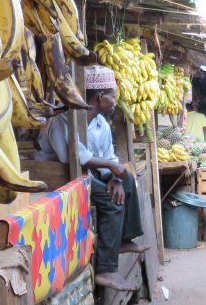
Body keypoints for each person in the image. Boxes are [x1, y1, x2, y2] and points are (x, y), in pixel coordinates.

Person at [37, 65, 147, 292]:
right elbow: (74, 157)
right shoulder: (62, 121)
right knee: (110, 201)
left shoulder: (101, 123)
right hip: (60, 172)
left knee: (126, 179)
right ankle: (107, 270)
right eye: (113, 96)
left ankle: (124, 238)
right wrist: (110, 167)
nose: (116, 102)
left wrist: (115, 178)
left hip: (85, 172)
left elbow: (109, 157)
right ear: (100, 97)